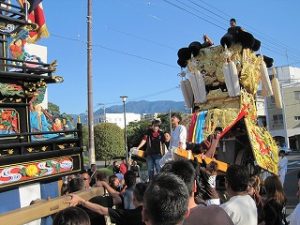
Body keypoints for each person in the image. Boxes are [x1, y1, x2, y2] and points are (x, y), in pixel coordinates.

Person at [161, 160, 234, 225]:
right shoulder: (218, 214)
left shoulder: (160, 219)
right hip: (215, 198)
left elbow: (201, 169)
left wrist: (198, 159)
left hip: (212, 198)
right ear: (195, 186)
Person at [68, 183, 147, 225]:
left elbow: (102, 210)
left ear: (134, 199)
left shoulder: (129, 215)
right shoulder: (155, 212)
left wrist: (80, 200)